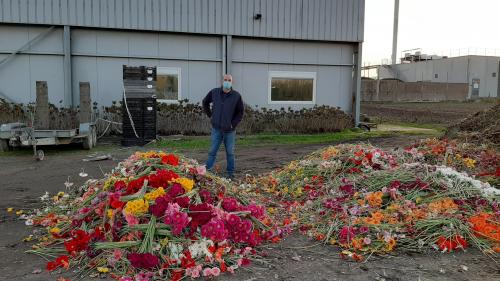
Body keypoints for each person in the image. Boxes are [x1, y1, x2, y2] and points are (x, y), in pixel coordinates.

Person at [202, 74, 244, 179]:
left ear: (232, 82)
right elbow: (205, 102)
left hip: (229, 131)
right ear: (222, 81)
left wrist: (232, 124)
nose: (227, 82)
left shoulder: (236, 96)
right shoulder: (215, 92)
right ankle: (208, 171)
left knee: (230, 153)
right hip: (216, 129)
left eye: (229, 80)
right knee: (212, 152)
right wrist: (211, 115)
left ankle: (230, 174)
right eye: (225, 80)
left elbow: (240, 112)